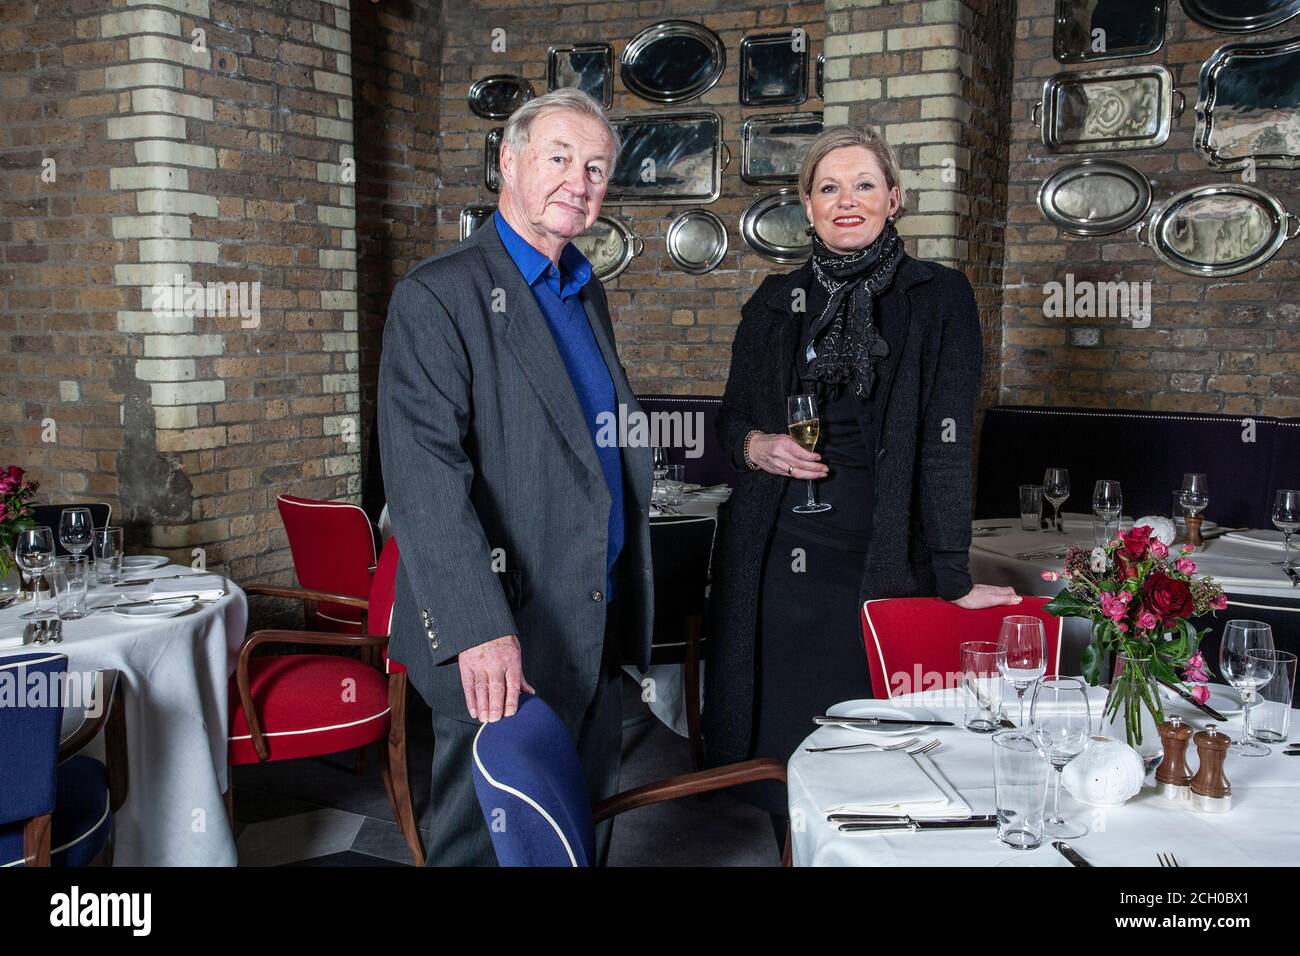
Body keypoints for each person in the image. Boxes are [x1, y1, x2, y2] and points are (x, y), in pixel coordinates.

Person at [704, 125, 1021, 834]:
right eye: (829, 188)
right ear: (808, 206)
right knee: (783, 741)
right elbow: (731, 421)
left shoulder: (938, 297)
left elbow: (947, 444)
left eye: (864, 185)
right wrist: (756, 446)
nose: (846, 200)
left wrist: (950, 574)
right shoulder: (774, 301)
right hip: (777, 557)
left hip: (880, 556)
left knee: (875, 750)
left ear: (894, 199)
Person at [378, 88, 653, 866]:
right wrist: (478, 629)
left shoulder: (584, 288)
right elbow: (425, 482)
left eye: (596, 167)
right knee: (487, 848)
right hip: (504, 634)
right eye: (559, 157)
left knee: (575, 837)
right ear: (508, 160)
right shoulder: (438, 294)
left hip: (592, 616)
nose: (579, 180)